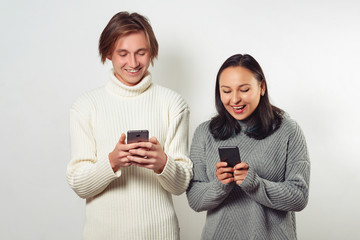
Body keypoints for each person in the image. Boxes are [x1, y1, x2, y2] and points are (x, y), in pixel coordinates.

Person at [66, 11, 193, 240]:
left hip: (160, 234)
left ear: (151, 52)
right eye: (123, 54)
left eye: (141, 53)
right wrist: (112, 162)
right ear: (108, 54)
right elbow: (79, 184)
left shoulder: (173, 104)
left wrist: (162, 163)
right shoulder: (85, 106)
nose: (133, 63)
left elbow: (181, 185)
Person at [186, 54, 310, 239]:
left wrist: (254, 184)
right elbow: (195, 200)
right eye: (226, 91)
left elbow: (299, 196)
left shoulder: (288, 130)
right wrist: (221, 185)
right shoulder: (205, 133)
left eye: (243, 89)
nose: (234, 99)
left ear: (261, 87)